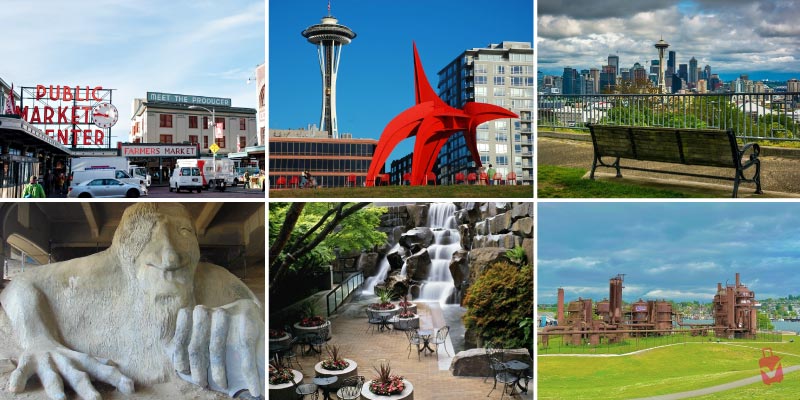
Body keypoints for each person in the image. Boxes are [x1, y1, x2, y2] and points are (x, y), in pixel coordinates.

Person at [0, 203, 264, 399]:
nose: (171, 257)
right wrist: (37, 340)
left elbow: (252, 309)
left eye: (183, 231)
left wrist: (250, 316)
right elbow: (22, 284)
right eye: (147, 233)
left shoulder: (213, 279)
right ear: (125, 251)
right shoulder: (99, 272)